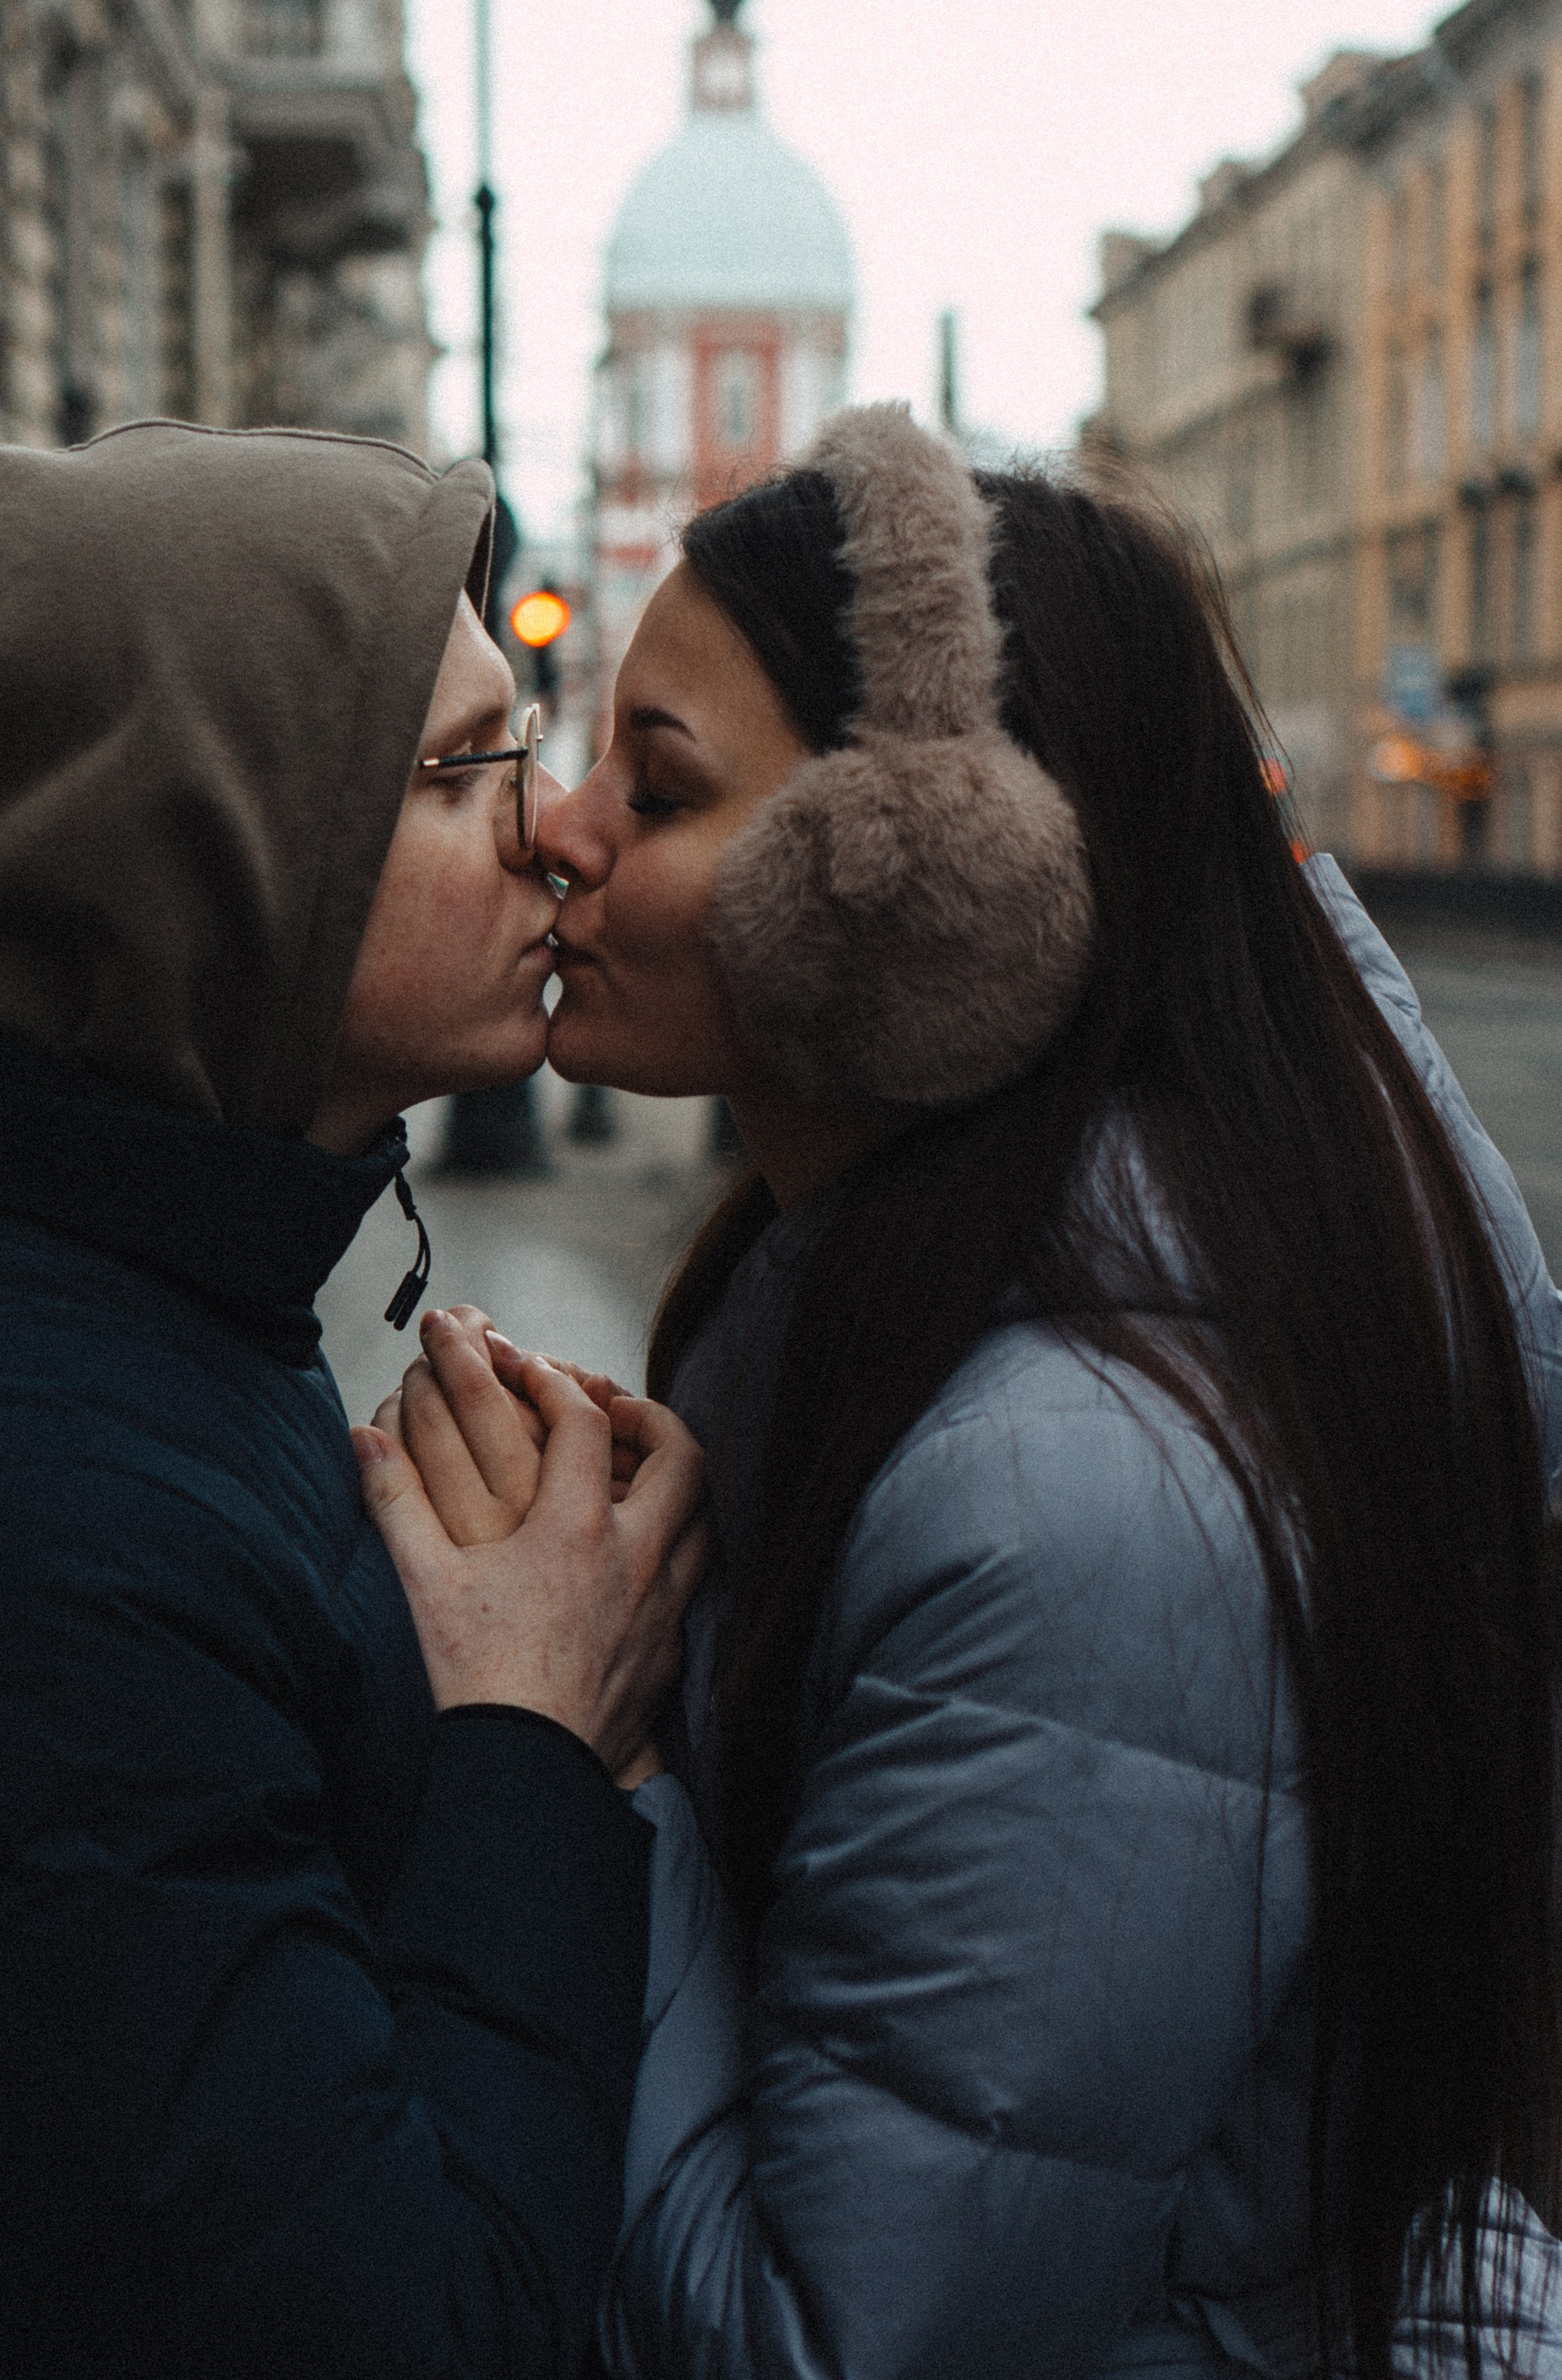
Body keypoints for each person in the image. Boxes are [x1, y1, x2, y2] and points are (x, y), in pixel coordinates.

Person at [366, 404, 1562, 2379]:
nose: (558, 828)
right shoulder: (871, 1293)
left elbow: (827, 2345)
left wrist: (582, 1750)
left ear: (927, 897)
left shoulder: (1080, 1507)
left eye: (655, 788)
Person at [0, 419, 708, 2379]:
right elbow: (401, 2336)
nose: (548, 826)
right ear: (215, 859)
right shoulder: (8, 1545)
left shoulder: (137, 1301)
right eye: (467, 769)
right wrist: (532, 1738)